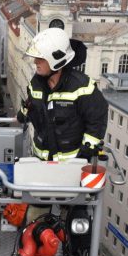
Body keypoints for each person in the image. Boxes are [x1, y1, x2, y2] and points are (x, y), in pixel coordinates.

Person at [17, 27, 108, 163]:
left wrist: (84, 154)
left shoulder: (82, 87)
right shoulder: (36, 83)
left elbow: (97, 122)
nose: (35, 62)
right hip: (40, 162)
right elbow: (31, 106)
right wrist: (21, 116)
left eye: (40, 58)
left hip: (71, 166)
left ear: (56, 60)